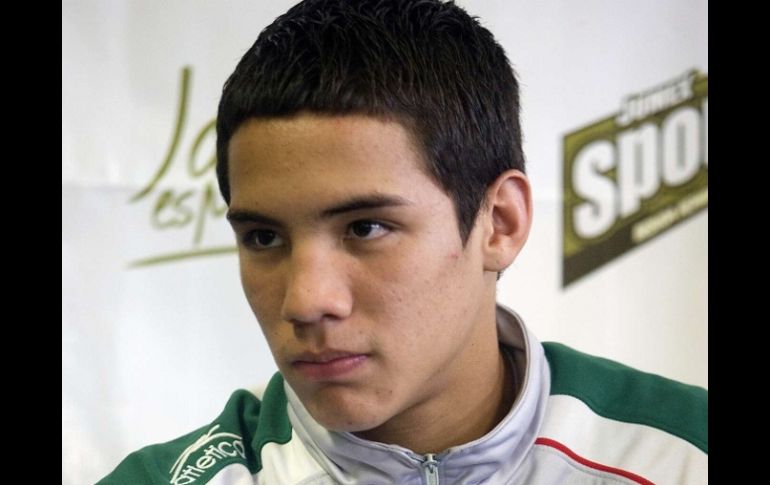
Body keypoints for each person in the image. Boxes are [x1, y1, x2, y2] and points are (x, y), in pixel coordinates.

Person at [99, 0, 708, 483]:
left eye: (366, 228)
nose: (306, 301)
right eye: (263, 236)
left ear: (500, 223)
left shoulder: (685, 456)